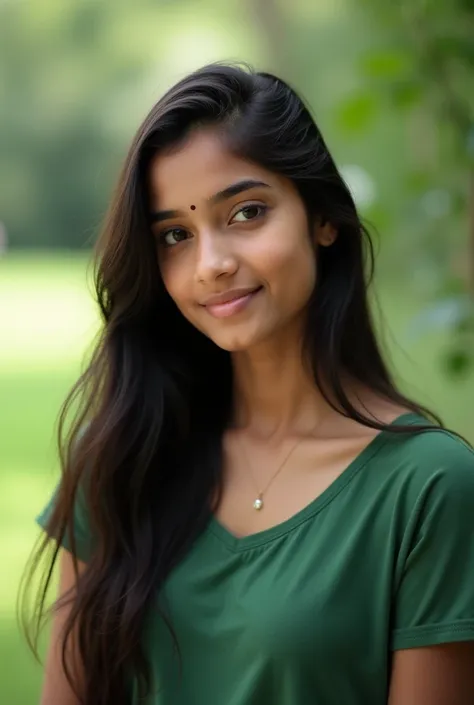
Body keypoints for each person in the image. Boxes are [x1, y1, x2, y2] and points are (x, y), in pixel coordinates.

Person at [23, 62, 474, 705]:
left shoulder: (430, 487)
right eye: (175, 235)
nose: (211, 264)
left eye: (246, 212)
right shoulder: (122, 452)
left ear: (322, 218)